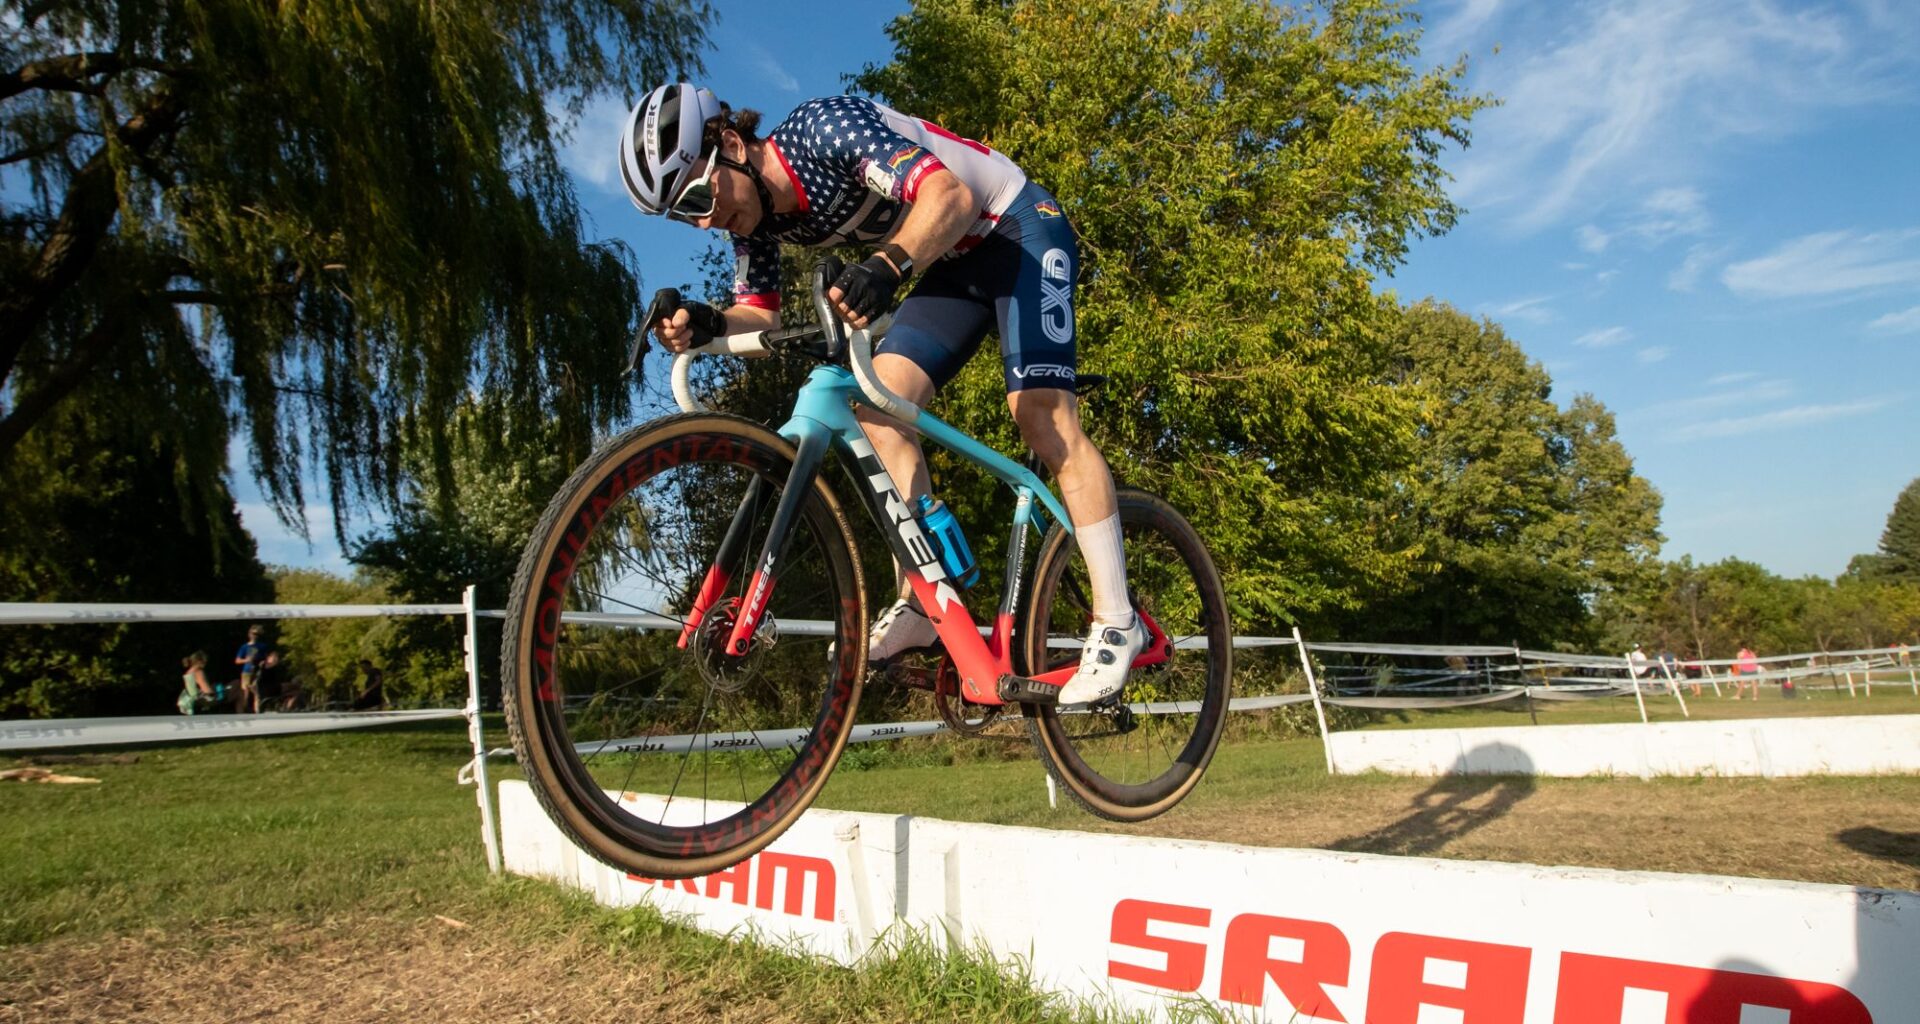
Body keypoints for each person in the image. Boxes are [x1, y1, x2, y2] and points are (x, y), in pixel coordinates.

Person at [622, 84, 1141, 704]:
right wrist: (705, 322)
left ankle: (1119, 620)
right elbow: (757, 315)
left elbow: (951, 194)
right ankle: (925, 599)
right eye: (685, 215)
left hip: (1017, 228)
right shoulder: (756, 222)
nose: (704, 220)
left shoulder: (823, 130)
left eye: (699, 197)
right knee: (876, 406)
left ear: (731, 144)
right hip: (950, 261)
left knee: (1040, 417)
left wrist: (886, 266)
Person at [233, 624, 272, 714]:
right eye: (253, 634)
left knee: (256, 691)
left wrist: (264, 662)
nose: (255, 636)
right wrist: (246, 660)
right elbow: (237, 660)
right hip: (246, 671)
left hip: (257, 671)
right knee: (245, 692)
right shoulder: (244, 647)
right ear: (249, 634)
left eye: (257, 634)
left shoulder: (262, 646)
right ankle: (243, 711)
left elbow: (266, 658)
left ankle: (257, 711)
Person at [176, 651, 217, 715]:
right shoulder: (198, 672)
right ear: (199, 661)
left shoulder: (189, 672)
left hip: (192, 700)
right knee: (236, 685)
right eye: (205, 661)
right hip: (201, 700)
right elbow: (205, 691)